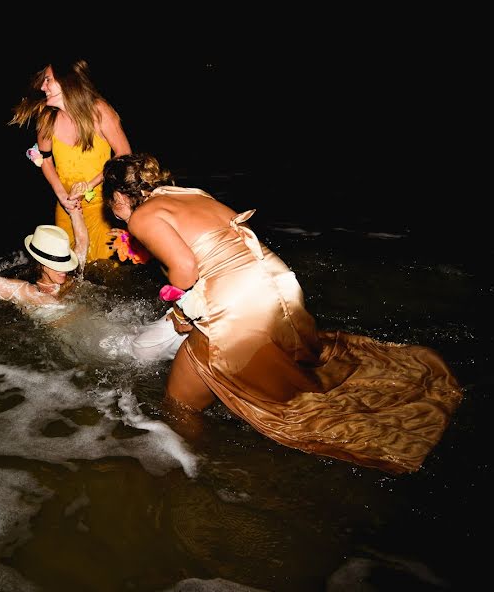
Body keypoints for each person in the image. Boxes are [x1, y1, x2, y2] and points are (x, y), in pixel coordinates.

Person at [101, 152, 463, 474]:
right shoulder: (190, 194)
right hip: (275, 281)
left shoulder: (142, 217)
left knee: (179, 405)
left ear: (120, 196)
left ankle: (197, 471)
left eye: (110, 203)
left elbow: (185, 269)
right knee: (286, 375)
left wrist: (178, 301)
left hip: (238, 300)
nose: (112, 212)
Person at [0, 204, 187, 362]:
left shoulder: (69, 276)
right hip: (103, 349)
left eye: (65, 263)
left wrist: (75, 209)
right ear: (42, 264)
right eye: (59, 265)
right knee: (169, 332)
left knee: (174, 327)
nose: (65, 270)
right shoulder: (25, 292)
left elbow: (82, 241)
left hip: (118, 331)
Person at [9, 59, 132, 263]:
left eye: (48, 80)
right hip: (66, 206)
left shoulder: (99, 111)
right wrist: (62, 195)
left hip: (102, 205)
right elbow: (45, 160)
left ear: (68, 82)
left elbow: (124, 155)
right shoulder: (46, 118)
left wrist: (89, 186)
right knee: (64, 267)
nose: (43, 86)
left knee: (103, 268)